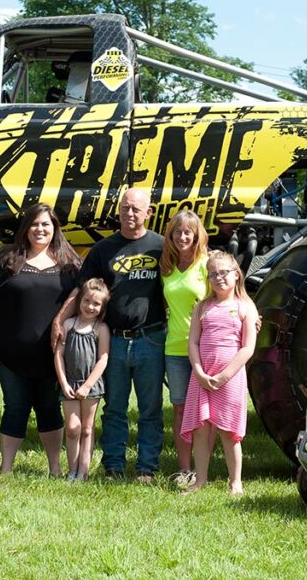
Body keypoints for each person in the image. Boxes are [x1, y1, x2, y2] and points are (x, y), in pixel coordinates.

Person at [54, 187, 166, 483]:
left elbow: (191, 280)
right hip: (113, 339)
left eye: (136, 209)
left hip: (150, 338)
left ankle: (146, 467)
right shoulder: (103, 249)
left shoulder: (162, 246)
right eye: (125, 208)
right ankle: (113, 465)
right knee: (114, 407)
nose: (129, 214)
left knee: (150, 408)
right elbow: (81, 288)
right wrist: (59, 319)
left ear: (149, 213)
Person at [0, 203, 81, 476]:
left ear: (54, 228)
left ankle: (55, 468)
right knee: (15, 407)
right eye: (34, 224)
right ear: (25, 228)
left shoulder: (71, 265)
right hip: (10, 352)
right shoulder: (7, 260)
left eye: (46, 224)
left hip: (52, 355)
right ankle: (6, 469)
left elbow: (82, 299)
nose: (40, 229)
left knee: (49, 407)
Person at [180, 251, 259, 496]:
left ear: (236, 275)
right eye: (212, 274)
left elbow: (248, 347)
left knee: (229, 432)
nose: (218, 278)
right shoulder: (202, 307)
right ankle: (200, 479)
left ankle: (235, 482)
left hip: (231, 378)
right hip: (202, 377)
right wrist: (200, 372)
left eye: (223, 272)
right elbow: (192, 342)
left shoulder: (245, 306)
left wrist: (225, 375)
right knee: (201, 429)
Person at [159, 210, 209, 485]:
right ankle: (185, 469)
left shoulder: (206, 264)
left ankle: (204, 469)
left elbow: (230, 295)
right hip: (175, 348)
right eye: (177, 232)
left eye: (188, 231)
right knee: (179, 408)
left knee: (205, 411)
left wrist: (251, 316)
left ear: (197, 234)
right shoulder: (166, 267)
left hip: (204, 348)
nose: (182, 237)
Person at [53, 278, 111, 481]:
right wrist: (63, 382)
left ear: (102, 306)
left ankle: (83, 472)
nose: (90, 306)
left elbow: (103, 358)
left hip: (90, 386)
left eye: (96, 303)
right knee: (72, 428)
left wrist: (87, 386)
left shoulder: (100, 328)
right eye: (87, 301)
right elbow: (58, 354)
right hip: (69, 383)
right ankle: (71, 470)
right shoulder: (69, 324)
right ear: (79, 300)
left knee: (87, 429)